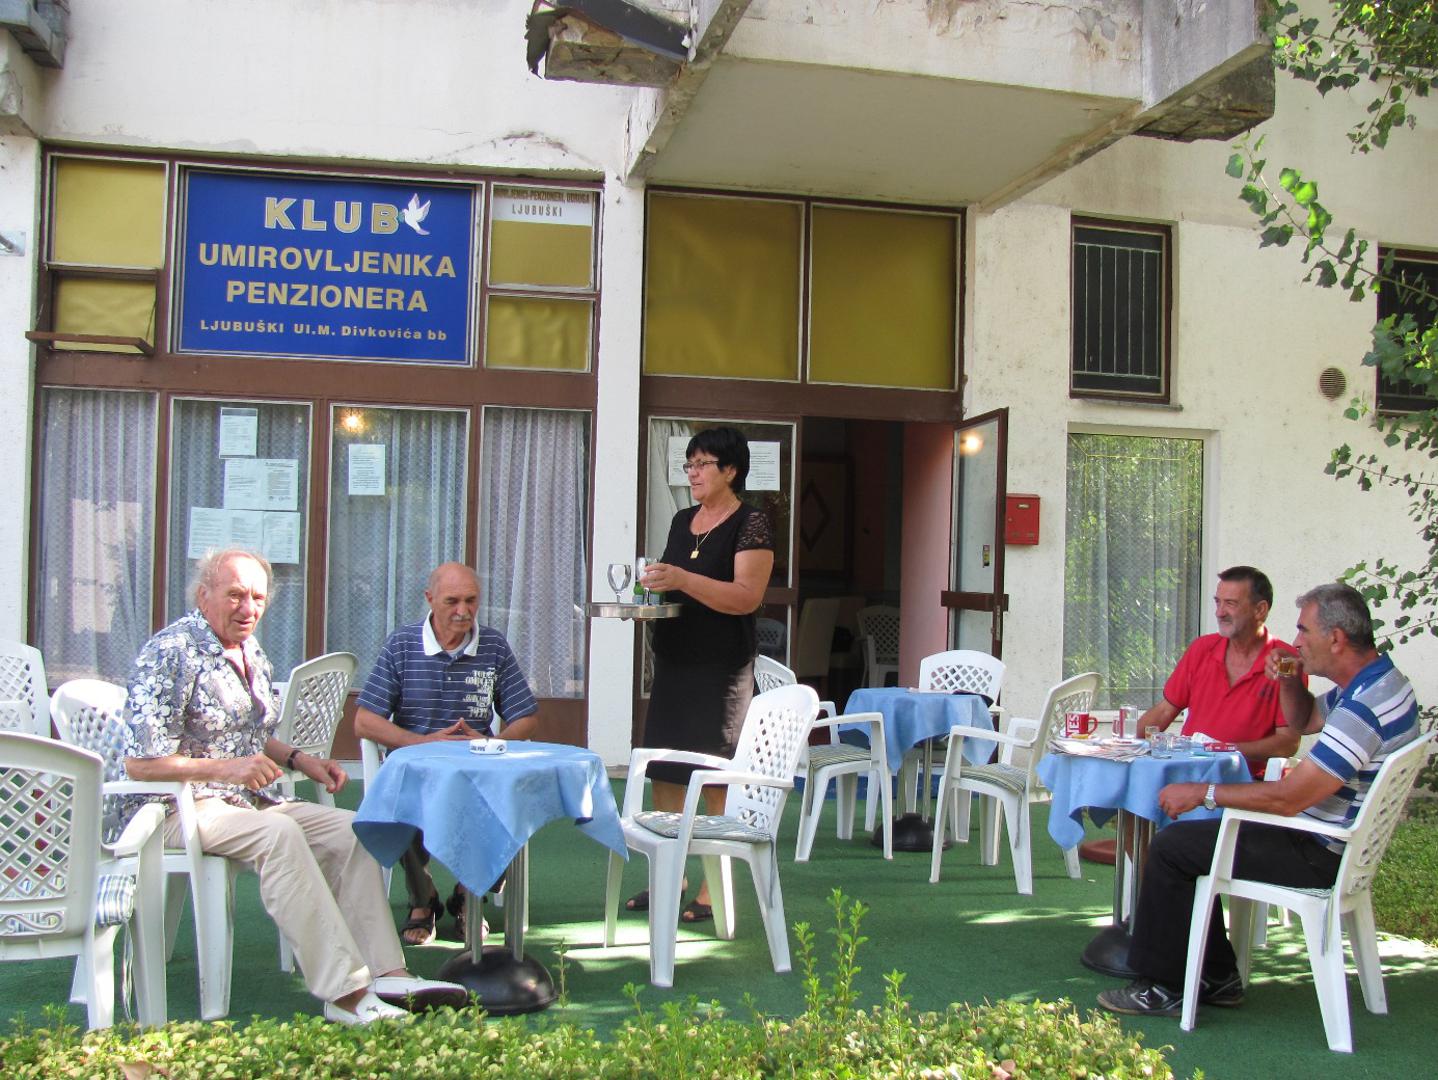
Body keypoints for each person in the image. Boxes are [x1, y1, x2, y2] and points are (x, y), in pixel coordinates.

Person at [122, 549, 466, 1025]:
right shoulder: (171, 653)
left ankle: (388, 973)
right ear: (203, 595)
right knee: (278, 834)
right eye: (235, 595)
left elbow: (253, 733)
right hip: (175, 808)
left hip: (245, 802)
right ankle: (345, 993)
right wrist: (228, 770)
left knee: (353, 831)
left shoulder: (249, 651)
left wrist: (301, 760)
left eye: (258, 597)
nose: (248, 608)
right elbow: (140, 764)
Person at [1098, 582, 1419, 1017]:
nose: (1297, 641)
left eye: (1304, 631)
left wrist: (1203, 793)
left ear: (1336, 639)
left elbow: (1289, 798)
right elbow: (1305, 719)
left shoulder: (1362, 709)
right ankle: (1218, 977)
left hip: (1316, 851)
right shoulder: (1380, 683)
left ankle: (1164, 986)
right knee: (1189, 842)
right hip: (1332, 841)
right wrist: (1288, 678)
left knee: (1171, 848)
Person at [630, 426, 775, 923]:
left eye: (701, 464)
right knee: (665, 772)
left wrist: (682, 579)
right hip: (675, 665)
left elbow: (746, 598)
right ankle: (670, 876)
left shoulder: (751, 523)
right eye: (688, 464)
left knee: (715, 779)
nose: (691, 473)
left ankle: (715, 887)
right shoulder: (682, 520)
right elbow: (673, 587)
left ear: (730, 470)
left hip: (720, 672)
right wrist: (647, 596)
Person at [353, 562, 539, 944]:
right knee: (397, 799)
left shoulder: (493, 646)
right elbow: (365, 721)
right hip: (417, 769)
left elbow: (525, 717)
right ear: (430, 599)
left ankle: (469, 896)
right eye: (452, 601)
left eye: (471, 600)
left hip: (478, 769)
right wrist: (420, 742)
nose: (463, 611)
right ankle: (423, 901)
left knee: (516, 799)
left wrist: (489, 743)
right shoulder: (403, 644)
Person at [1137, 565, 1302, 773]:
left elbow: (1288, 743)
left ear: (1260, 610)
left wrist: (1224, 750)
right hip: (1188, 772)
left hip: (1243, 781)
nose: (1219, 612)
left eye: (1230, 603)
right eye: (1218, 602)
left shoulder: (1285, 660)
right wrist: (1124, 747)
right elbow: (1165, 710)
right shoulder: (1202, 648)